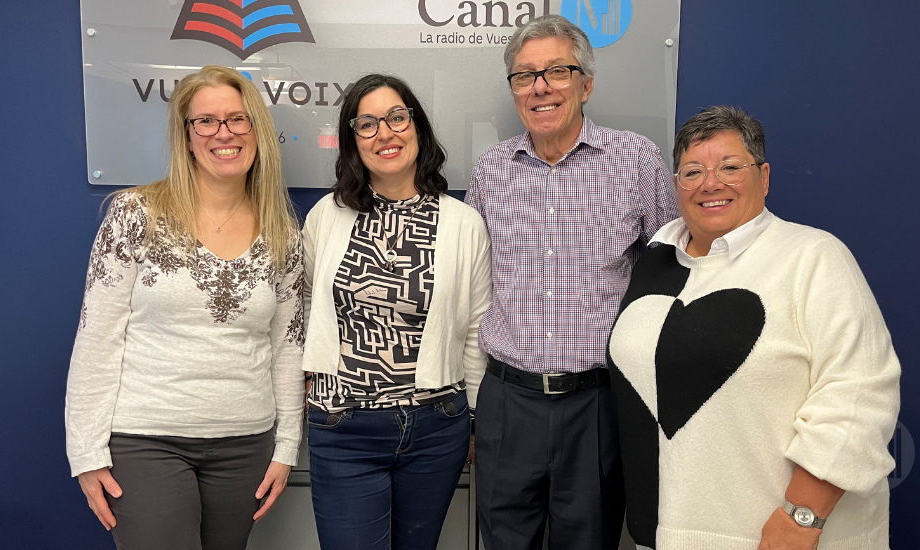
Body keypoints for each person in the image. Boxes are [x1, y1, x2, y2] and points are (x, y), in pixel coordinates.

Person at [607, 105, 901, 549]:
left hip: (780, 536)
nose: (710, 183)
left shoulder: (813, 257)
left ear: (763, 177)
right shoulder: (656, 258)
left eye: (730, 167)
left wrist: (800, 519)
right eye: (692, 171)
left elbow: (858, 395)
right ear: (675, 186)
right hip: (667, 531)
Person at [65, 65, 306, 550]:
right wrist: (86, 452)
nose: (225, 133)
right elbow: (97, 336)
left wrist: (285, 448)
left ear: (257, 129)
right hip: (145, 440)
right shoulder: (136, 214)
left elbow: (288, 349)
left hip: (244, 445)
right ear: (187, 135)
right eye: (207, 121)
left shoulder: (283, 231)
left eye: (238, 119)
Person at [464, 14, 680, 550]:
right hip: (508, 403)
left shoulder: (636, 160)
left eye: (556, 71)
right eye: (524, 75)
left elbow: (671, 271)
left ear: (585, 83)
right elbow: (470, 285)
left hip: (598, 404)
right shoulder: (491, 170)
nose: (540, 87)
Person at [301, 73, 492, 550]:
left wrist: (471, 419)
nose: (385, 133)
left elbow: (473, 331)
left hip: (435, 427)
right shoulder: (327, 215)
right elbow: (303, 303)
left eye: (396, 117)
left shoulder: (463, 223)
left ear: (418, 129)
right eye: (367, 124)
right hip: (344, 426)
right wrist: (310, 375)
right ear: (351, 141)